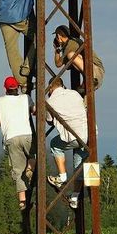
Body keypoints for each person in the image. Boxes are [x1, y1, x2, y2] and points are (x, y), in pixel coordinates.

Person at [45, 77, 88, 209]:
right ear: (62, 85)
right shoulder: (74, 94)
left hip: (72, 136)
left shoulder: (50, 101)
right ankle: (74, 197)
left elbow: (49, 121)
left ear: (50, 88)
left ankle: (61, 177)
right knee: (79, 165)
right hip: (87, 135)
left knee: (54, 144)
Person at [0, 76, 35, 210]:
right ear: (17, 87)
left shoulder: (0, 101)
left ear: (5, 88)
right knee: (32, 155)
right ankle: (30, 167)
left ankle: (22, 201)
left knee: (17, 170)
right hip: (26, 134)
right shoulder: (25, 98)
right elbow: (34, 111)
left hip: (10, 137)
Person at [53, 25, 105, 91]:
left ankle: (90, 77)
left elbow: (58, 64)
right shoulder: (69, 44)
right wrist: (58, 49)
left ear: (58, 36)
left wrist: (56, 51)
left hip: (96, 71)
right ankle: (87, 80)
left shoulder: (71, 44)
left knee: (71, 55)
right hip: (95, 73)